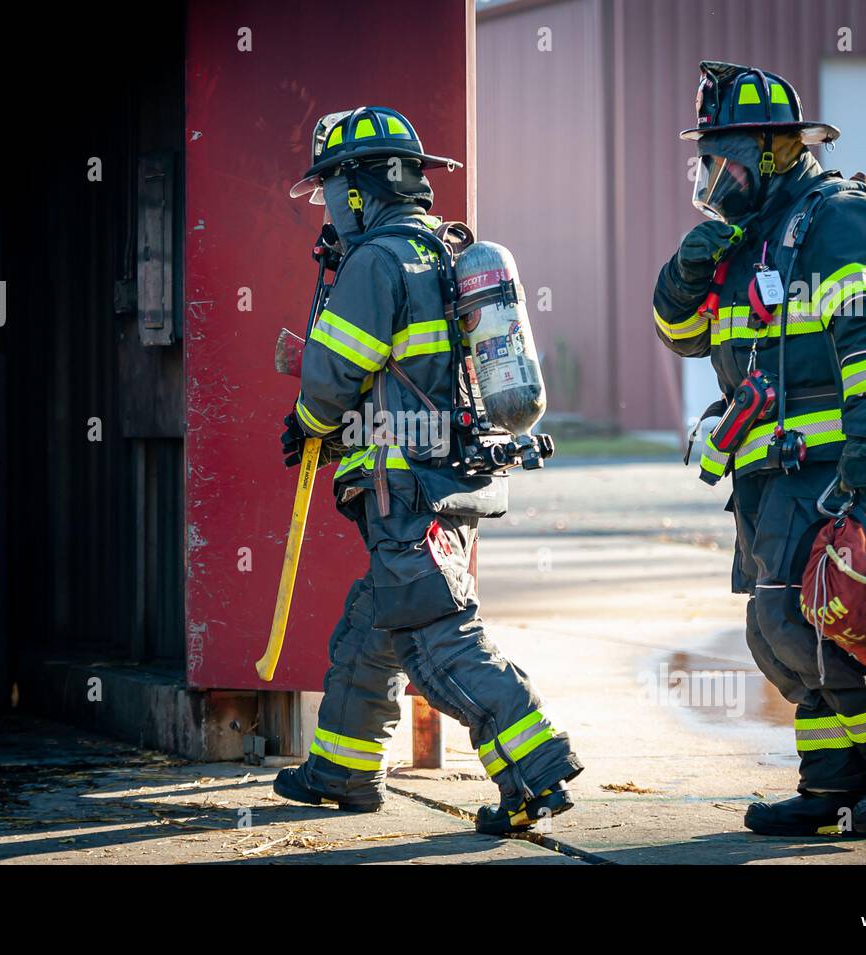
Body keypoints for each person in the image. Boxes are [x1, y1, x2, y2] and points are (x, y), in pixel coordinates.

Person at [653, 63, 866, 836]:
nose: (715, 175)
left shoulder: (838, 218)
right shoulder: (743, 240)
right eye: (707, 159)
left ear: (776, 149)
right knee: (776, 634)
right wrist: (685, 276)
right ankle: (829, 785)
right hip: (761, 471)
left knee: (800, 619)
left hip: (827, 461)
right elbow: (687, 340)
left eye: (726, 157)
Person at [274, 106, 582, 834]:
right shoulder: (443, 251)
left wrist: (305, 421)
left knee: (438, 642)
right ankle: (344, 771)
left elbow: (334, 372)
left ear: (359, 187)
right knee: (372, 624)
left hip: (402, 481)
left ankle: (536, 771)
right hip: (451, 474)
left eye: (331, 189)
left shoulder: (376, 260)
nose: (329, 206)